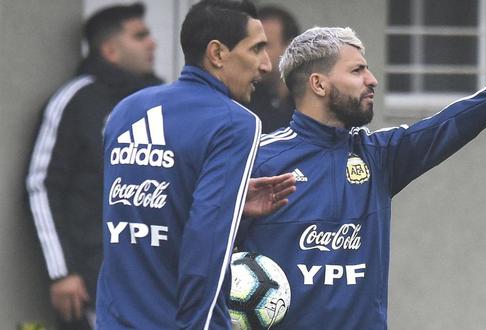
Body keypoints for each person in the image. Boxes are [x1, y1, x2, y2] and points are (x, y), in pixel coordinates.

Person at [235, 27, 486, 329]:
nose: (372, 80)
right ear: (319, 84)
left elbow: (442, 128)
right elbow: (204, 250)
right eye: (357, 70)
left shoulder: (377, 156)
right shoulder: (258, 161)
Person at [96, 1, 295, 329]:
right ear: (217, 53)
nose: (265, 64)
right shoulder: (234, 122)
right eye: (257, 49)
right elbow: (206, 244)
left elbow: (128, 218)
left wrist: (231, 205)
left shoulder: (127, 111)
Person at [25, 3, 161, 329]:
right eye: (140, 36)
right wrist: (61, 271)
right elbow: (41, 185)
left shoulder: (159, 98)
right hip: (93, 275)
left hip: (153, 274)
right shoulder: (76, 99)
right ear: (110, 50)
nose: (152, 43)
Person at [245, 5, 300, 133]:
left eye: (264, 45)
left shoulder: (314, 100)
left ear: (291, 47)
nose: (255, 54)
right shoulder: (243, 102)